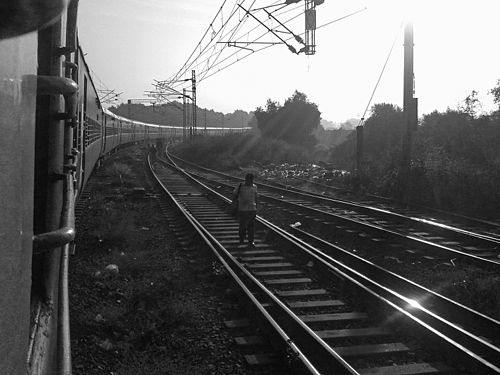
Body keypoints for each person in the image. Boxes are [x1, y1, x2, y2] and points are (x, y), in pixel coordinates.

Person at [232, 173, 258, 246]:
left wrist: (256, 208)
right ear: (246, 179)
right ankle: (241, 239)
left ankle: (251, 241)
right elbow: (234, 194)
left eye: (252, 180)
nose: (250, 181)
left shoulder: (255, 187)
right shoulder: (240, 186)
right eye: (249, 180)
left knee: (251, 226)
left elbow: (256, 198)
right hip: (242, 209)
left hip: (252, 209)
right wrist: (235, 204)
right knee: (242, 225)